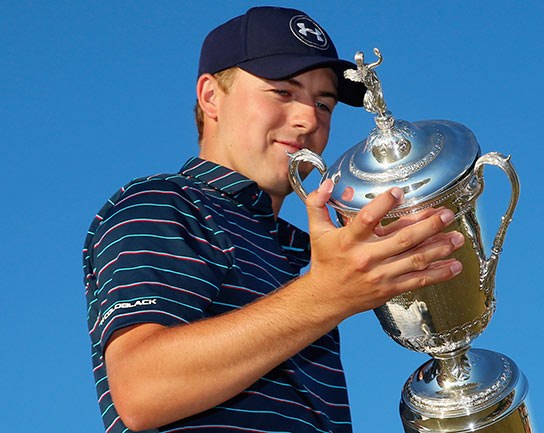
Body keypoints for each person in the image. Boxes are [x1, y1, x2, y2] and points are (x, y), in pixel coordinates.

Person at [83, 6, 465, 433]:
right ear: (211, 96)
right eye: (283, 92)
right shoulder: (165, 203)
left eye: (324, 103)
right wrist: (326, 294)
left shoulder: (289, 256)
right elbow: (143, 389)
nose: (308, 120)